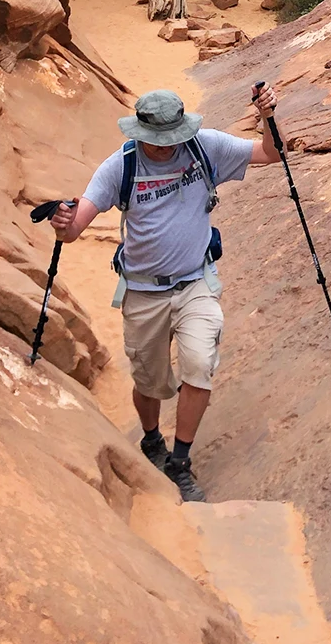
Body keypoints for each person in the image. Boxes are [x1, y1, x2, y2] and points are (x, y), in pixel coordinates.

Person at [51, 85, 279, 502]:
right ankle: (152, 439)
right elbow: (74, 229)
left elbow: (269, 154)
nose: (164, 147)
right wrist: (62, 221)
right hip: (143, 292)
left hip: (195, 283)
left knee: (199, 364)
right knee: (150, 381)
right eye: (157, 141)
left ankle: (180, 461)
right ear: (138, 133)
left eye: (170, 139)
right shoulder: (119, 167)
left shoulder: (203, 148)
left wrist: (268, 116)